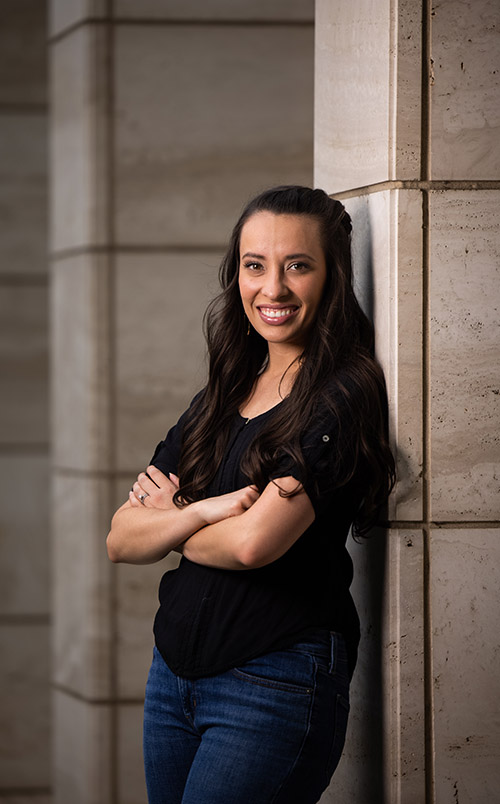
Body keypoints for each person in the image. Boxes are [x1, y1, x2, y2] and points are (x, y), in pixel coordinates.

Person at [107, 185, 395, 804]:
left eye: (298, 265)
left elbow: (254, 544)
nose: (273, 289)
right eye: (254, 265)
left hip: (273, 681)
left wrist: (172, 520)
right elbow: (121, 538)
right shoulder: (223, 392)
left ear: (333, 277)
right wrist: (208, 510)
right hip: (172, 680)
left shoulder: (342, 396)